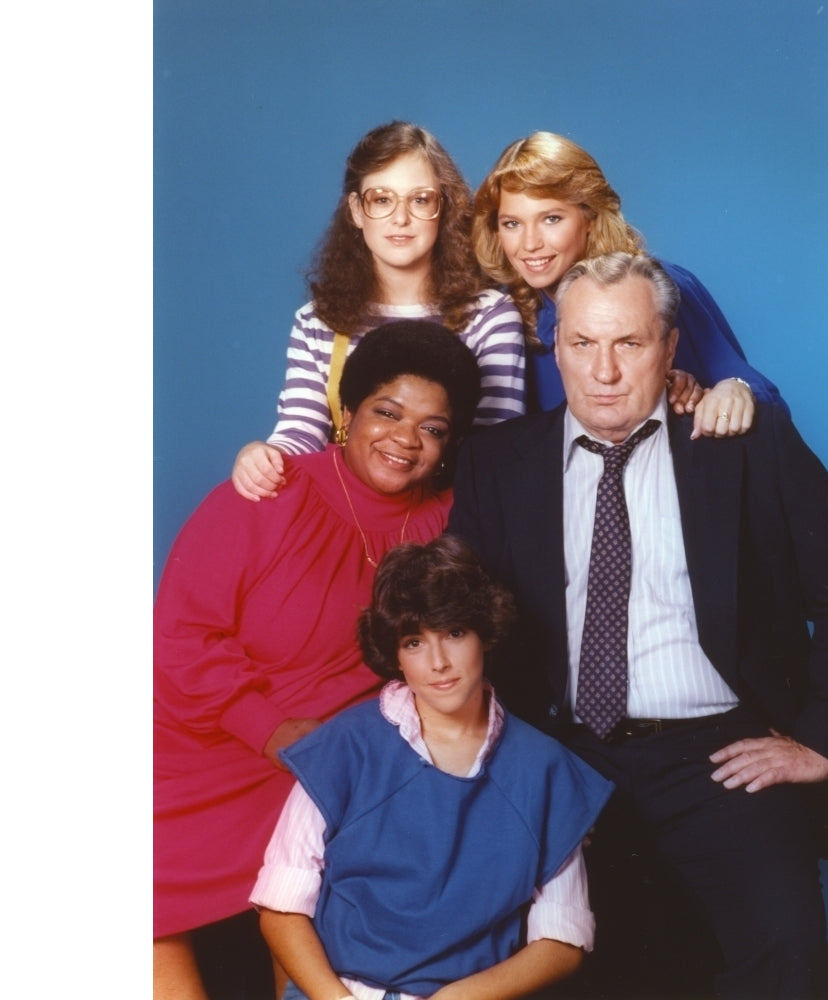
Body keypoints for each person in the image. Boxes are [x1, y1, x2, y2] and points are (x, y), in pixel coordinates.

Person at [447, 253, 828, 999]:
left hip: (717, 755)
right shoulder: (496, 465)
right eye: (583, 344)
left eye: (629, 344)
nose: (603, 370)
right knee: (570, 968)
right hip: (563, 756)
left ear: (668, 348)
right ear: (554, 346)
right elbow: (460, 622)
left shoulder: (748, 447)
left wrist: (824, 739)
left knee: (787, 956)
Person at [154, 321, 483, 1000]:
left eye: (433, 428)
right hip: (201, 743)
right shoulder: (268, 493)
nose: (405, 439)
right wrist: (269, 732)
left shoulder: (453, 523)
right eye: (387, 413)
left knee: (320, 885)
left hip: (320, 768)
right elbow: (183, 635)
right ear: (347, 412)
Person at [251, 535, 614, 1000]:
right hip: (335, 992)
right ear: (395, 655)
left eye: (455, 633)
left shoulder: (544, 769)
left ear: (485, 633)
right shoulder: (345, 746)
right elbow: (281, 907)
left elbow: (563, 939)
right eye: (415, 641)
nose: (438, 662)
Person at [233, 121, 526, 502]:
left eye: (420, 200)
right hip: (349, 518)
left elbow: (494, 452)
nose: (400, 218)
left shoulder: (490, 316)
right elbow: (300, 434)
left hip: (451, 524)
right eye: (382, 199)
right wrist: (260, 457)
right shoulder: (317, 322)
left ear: (444, 208)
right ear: (356, 210)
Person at [472, 130, 787, 436]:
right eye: (512, 223)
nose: (529, 243)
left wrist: (731, 390)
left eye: (551, 218)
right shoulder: (504, 317)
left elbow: (760, 398)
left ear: (591, 218)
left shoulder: (664, 288)